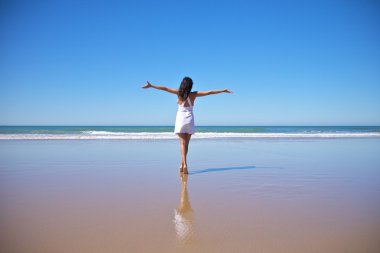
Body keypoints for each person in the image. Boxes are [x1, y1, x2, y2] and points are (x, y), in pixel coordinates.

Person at [142, 77, 232, 174]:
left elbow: (165, 88)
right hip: (189, 119)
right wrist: (223, 90)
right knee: (187, 143)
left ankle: (184, 164)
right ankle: (183, 164)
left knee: (182, 143)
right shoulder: (194, 94)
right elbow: (209, 92)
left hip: (180, 119)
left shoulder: (178, 93)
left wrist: (151, 86)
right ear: (190, 86)